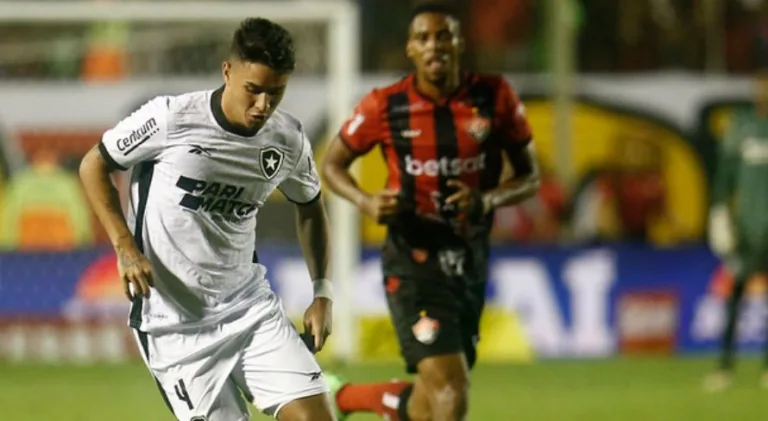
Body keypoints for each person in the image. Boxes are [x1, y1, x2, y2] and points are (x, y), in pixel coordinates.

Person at [79, 18, 337, 421]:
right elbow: (93, 165)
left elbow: (311, 206)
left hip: (250, 311)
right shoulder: (170, 118)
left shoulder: (287, 140)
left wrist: (322, 292)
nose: (263, 106)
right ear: (227, 71)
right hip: (174, 327)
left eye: (276, 93)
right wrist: (124, 246)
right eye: (253, 90)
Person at [321, 2, 540, 420]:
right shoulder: (384, 105)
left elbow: (529, 176)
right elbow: (332, 164)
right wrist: (366, 201)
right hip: (413, 263)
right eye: (423, 38)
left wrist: (487, 199)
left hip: (469, 261)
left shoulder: (494, 97)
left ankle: (344, 397)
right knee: (451, 389)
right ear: (410, 48)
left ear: (460, 43)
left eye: (443, 36)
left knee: (430, 401)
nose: (433, 45)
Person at [705, 68, 768, 392]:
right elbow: (725, 175)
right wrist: (719, 213)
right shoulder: (742, 126)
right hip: (746, 229)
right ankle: (725, 366)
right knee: (735, 295)